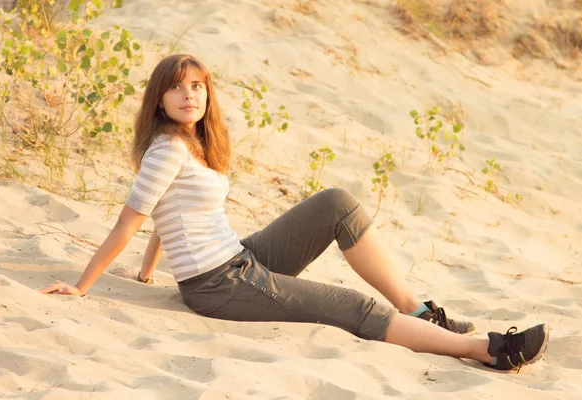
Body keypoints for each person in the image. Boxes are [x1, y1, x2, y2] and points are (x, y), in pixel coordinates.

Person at [40, 54, 549, 372]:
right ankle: (488, 350)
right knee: (356, 308)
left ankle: (421, 314)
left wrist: (151, 273)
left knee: (336, 204)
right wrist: (83, 286)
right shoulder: (167, 149)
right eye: (176, 87)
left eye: (197, 85)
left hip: (237, 258)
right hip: (221, 283)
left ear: (208, 94)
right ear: (159, 98)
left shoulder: (193, 146)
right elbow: (129, 221)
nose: (189, 93)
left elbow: (166, 213)